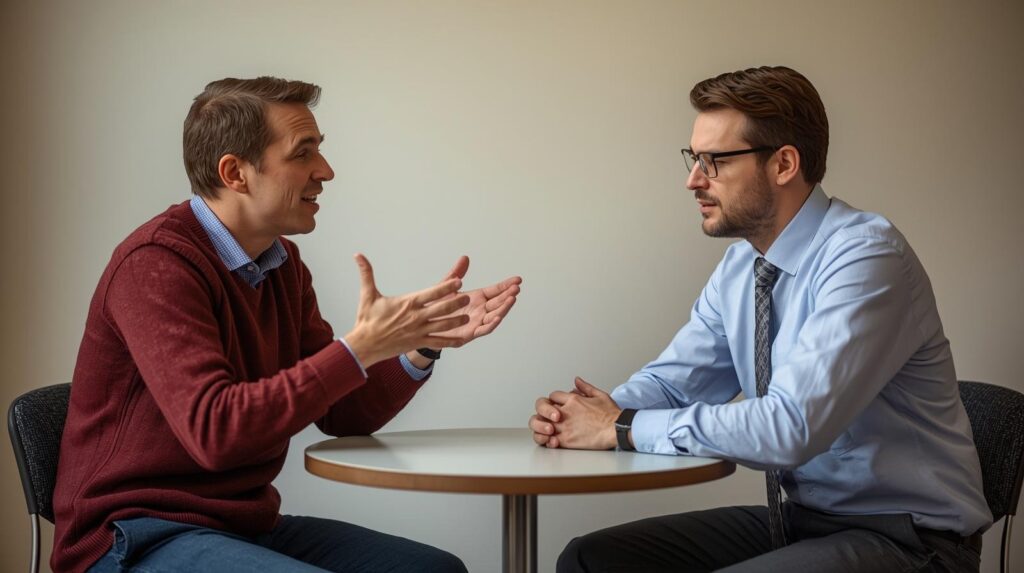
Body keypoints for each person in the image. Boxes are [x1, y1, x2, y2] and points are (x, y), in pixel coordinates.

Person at [530, 66, 991, 572]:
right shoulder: (742, 268)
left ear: (784, 164)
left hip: (911, 539)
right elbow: (677, 382)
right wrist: (590, 413)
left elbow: (789, 427)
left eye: (714, 161)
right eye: (693, 158)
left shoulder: (865, 258)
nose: (693, 180)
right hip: (801, 520)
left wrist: (619, 427)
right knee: (590, 560)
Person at [52, 76, 522, 573]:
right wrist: (358, 349)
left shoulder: (282, 264)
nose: (326, 171)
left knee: (436, 570)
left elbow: (344, 414)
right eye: (303, 153)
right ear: (235, 173)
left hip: (241, 526)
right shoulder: (156, 264)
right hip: (133, 535)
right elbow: (216, 431)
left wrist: (421, 342)